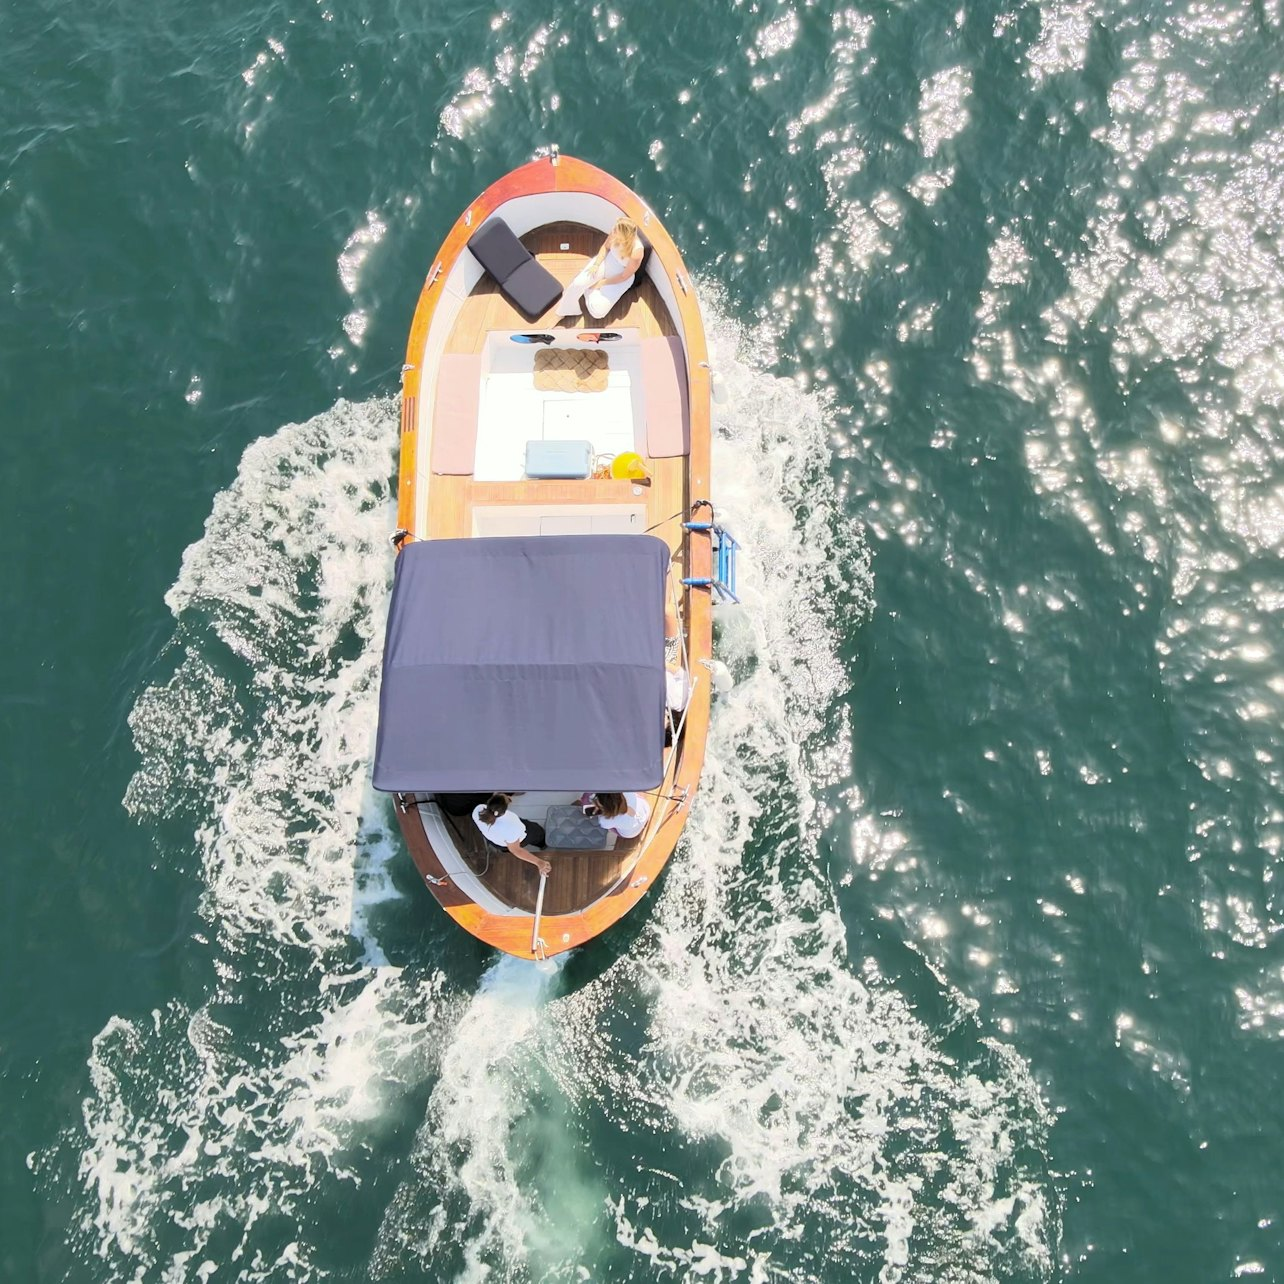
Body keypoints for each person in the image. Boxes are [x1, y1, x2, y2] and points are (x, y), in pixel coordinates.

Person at [557, 219, 645, 320]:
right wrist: (596, 265)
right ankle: (564, 311)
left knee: (598, 312)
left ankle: (587, 290)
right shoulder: (615, 232)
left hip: (621, 277)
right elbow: (605, 247)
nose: (613, 230)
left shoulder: (637, 251)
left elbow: (624, 276)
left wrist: (600, 283)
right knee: (577, 283)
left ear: (625, 235)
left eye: (616, 230)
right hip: (607, 262)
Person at [472, 793, 551, 876]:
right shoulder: (511, 825)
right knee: (537, 833)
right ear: (503, 810)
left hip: (498, 842)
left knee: (506, 849)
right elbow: (516, 850)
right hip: (518, 838)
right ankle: (543, 844)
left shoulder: (478, 810)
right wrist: (539, 862)